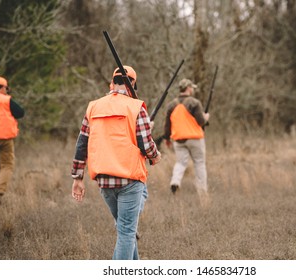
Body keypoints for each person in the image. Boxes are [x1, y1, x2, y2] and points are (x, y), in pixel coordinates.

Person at [71, 66, 161, 260]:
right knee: (127, 232)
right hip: (130, 180)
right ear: (133, 85)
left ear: (112, 83)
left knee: (124, 227)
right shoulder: (136, 106)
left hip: (104, 180)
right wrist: (155, 157)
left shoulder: (93, 106)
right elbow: (146, 145)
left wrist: (77, 177)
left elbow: (82, 143)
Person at [163, 78, 210, 206]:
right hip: (195, 139)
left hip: (178, 139)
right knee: (199, 164)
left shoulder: (171, 105)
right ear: (188, 88)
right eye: (192, 88)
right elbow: (201, 121)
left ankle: (175, 182)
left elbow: (167, 124)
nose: (193, 90)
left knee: (180, 163)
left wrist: (167, 138)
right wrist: (206, 118)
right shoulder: (194, 102)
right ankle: (203, 195)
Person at [0, 76, 24, 204]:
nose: (7, 91)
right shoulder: (6, 100)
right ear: (3, 88)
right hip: (4, 138)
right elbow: (20, 113)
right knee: (7, 165)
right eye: (7, 89)